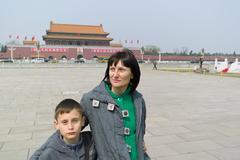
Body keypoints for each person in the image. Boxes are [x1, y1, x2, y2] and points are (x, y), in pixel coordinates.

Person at [80, 49, 150, 160]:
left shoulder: (138, 100)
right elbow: (69, 130)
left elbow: (140, 130)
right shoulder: (90, 100)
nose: (115, 75)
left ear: (132, 74)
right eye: (112, 69)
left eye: (121, 70)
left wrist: (140, 142)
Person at [30, 98, 97, 160]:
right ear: (57, 125)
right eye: (65, 122)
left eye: (75, 121)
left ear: (82, 121)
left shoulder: (91, 141)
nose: (70, 127)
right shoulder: (50, 153)